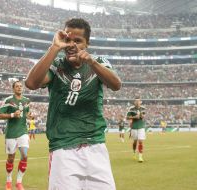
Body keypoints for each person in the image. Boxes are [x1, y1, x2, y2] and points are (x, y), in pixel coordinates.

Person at [25, 18, 121, 190]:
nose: (71, 45)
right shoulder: (56, 65)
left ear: (87, 44)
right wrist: (54, 48)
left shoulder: (99, 62)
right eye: (68, 39)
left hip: (96, 146)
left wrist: (91, 62)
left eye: (78, 41)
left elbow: (116, 85)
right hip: (63, 150)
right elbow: (31, 83)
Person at [0, 81, 33, 190]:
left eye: (21, 86)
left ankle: (19, 182)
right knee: (11, 158)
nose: (19, 88)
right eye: (17, 86)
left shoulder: (26, 101)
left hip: (23, 131)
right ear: (13, 89)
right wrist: (12, 114)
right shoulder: (8, 100)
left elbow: (26, 114)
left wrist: (29, 116)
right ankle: (9, 180)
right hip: (11, 133)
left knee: (24, 155)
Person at [126, 97, 146, 162]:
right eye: (136, 101)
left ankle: (140, 157)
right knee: (135, 142)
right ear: (134, 102)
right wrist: (134, 117)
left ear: (140, 102)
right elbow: (127, 117)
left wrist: (140, 115)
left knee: (140, 141)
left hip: (141, 127)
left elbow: (143, 117)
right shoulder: (131, 109)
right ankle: (134, 152)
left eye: (138, 101)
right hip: (134, 127)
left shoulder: (143, 108)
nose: (137, 102)